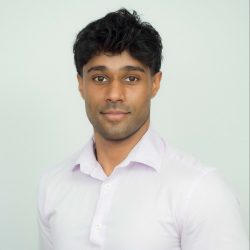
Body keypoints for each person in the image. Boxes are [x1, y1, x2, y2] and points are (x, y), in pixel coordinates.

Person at [37, 8, 248, 250]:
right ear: (81, 84)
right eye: (99, 78)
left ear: (155, 83)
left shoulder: (200, 190)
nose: (114, 94)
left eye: (131, 79)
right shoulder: (52, 185)